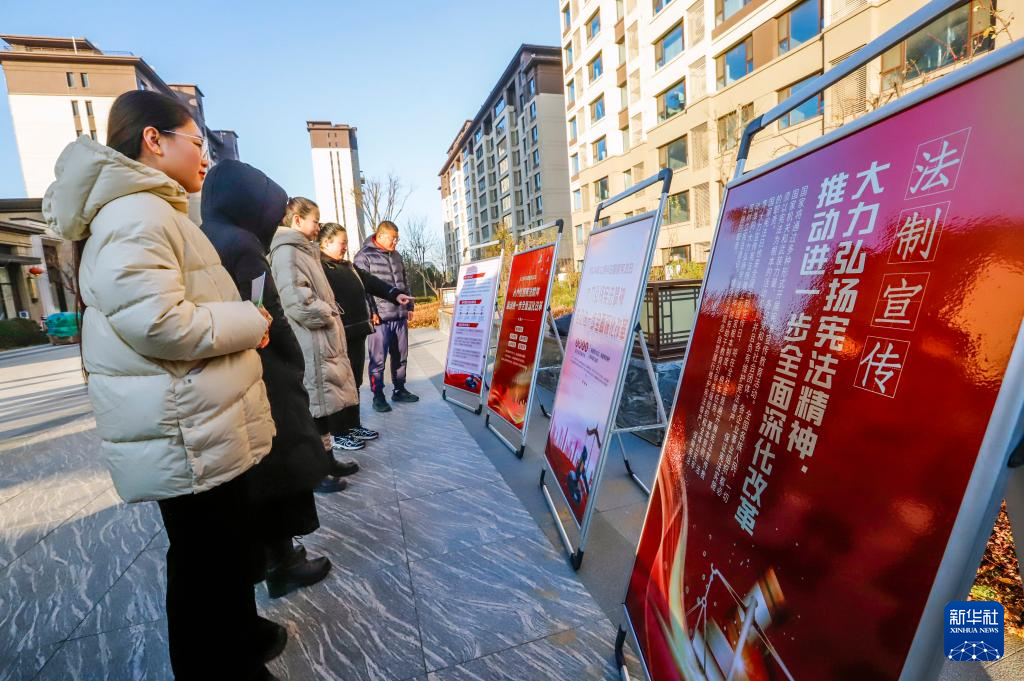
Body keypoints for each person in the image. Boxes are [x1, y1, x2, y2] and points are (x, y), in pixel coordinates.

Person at [43, 90, 281, 680]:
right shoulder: (136, 215)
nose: (205, 157)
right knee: (207, 563)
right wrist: (249, 321)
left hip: (196, 418)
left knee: (222, 551)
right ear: (154, 139)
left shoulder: (151, 210)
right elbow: (159, 322)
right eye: (197, 142)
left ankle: (242, 638)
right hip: (185, 428)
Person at [201, 160, 339, 599]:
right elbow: (267, 314)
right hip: (268, 374)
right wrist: (292, 360)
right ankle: (284, 561)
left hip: (238, 376)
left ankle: (272, 556)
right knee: (280, 469)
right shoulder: (243, 246)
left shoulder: (209, 235)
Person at [269, 198, 366, 462]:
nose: (318, 227)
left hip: (319, 339)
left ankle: (328, 460)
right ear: (297, 220)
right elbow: (297, 301)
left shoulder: (302, 250)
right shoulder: (287, 252)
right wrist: (328, 314)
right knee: (317, 403)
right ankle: (322, 464)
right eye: (315, 221)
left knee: (323, 404)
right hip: (311, 339)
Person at [318, 222, 412, 441]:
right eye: (342, 243)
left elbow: (370, 281)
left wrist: (394, 293)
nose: (345, 247)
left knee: (354, 383)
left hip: (356, 331)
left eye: (346, 243)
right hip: (335, 335)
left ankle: (354, 425)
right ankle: (339, 434)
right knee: (339, 384)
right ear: (326, 243)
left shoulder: (348, 266)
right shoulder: (319, 267)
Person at [354, 220, 419, 412]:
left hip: (399, 315)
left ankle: (399, 390)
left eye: (397, 239)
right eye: (393, 238)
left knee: (400, 356)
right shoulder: (363, 256)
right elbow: (362, 288)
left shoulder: (397, 255)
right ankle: (378, 396)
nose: (395, 242)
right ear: (381, 235)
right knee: (378, 360)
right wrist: (371, 312)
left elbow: (404, 281)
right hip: (380, 319)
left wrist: (410, 305)